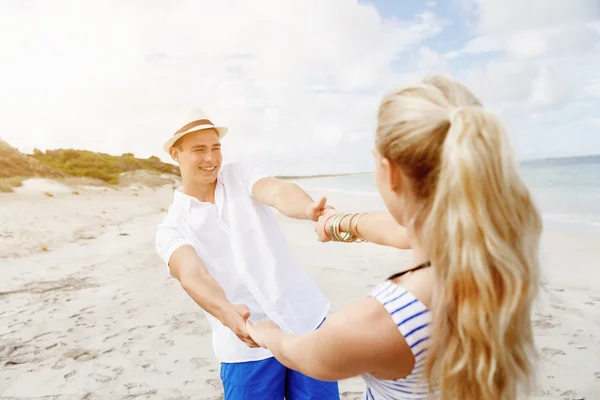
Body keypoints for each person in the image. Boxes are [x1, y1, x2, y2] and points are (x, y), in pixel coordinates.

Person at [245, 75, 542, 400]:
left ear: (390, 174)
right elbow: (402, 231)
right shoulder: (502, 257)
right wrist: (338, 224)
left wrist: (266, 334)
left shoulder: (381, 323)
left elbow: (302, 355)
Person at [155, 108, 340, 399]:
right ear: (175, 154)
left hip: (306, 323)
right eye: (199, 150)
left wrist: (308, 209)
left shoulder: (239, 176)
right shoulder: (171, 227)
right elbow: (192, 275)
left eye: (216, 148)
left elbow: (278, 192)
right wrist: (229, 315)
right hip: (247, 347)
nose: (211, 158)